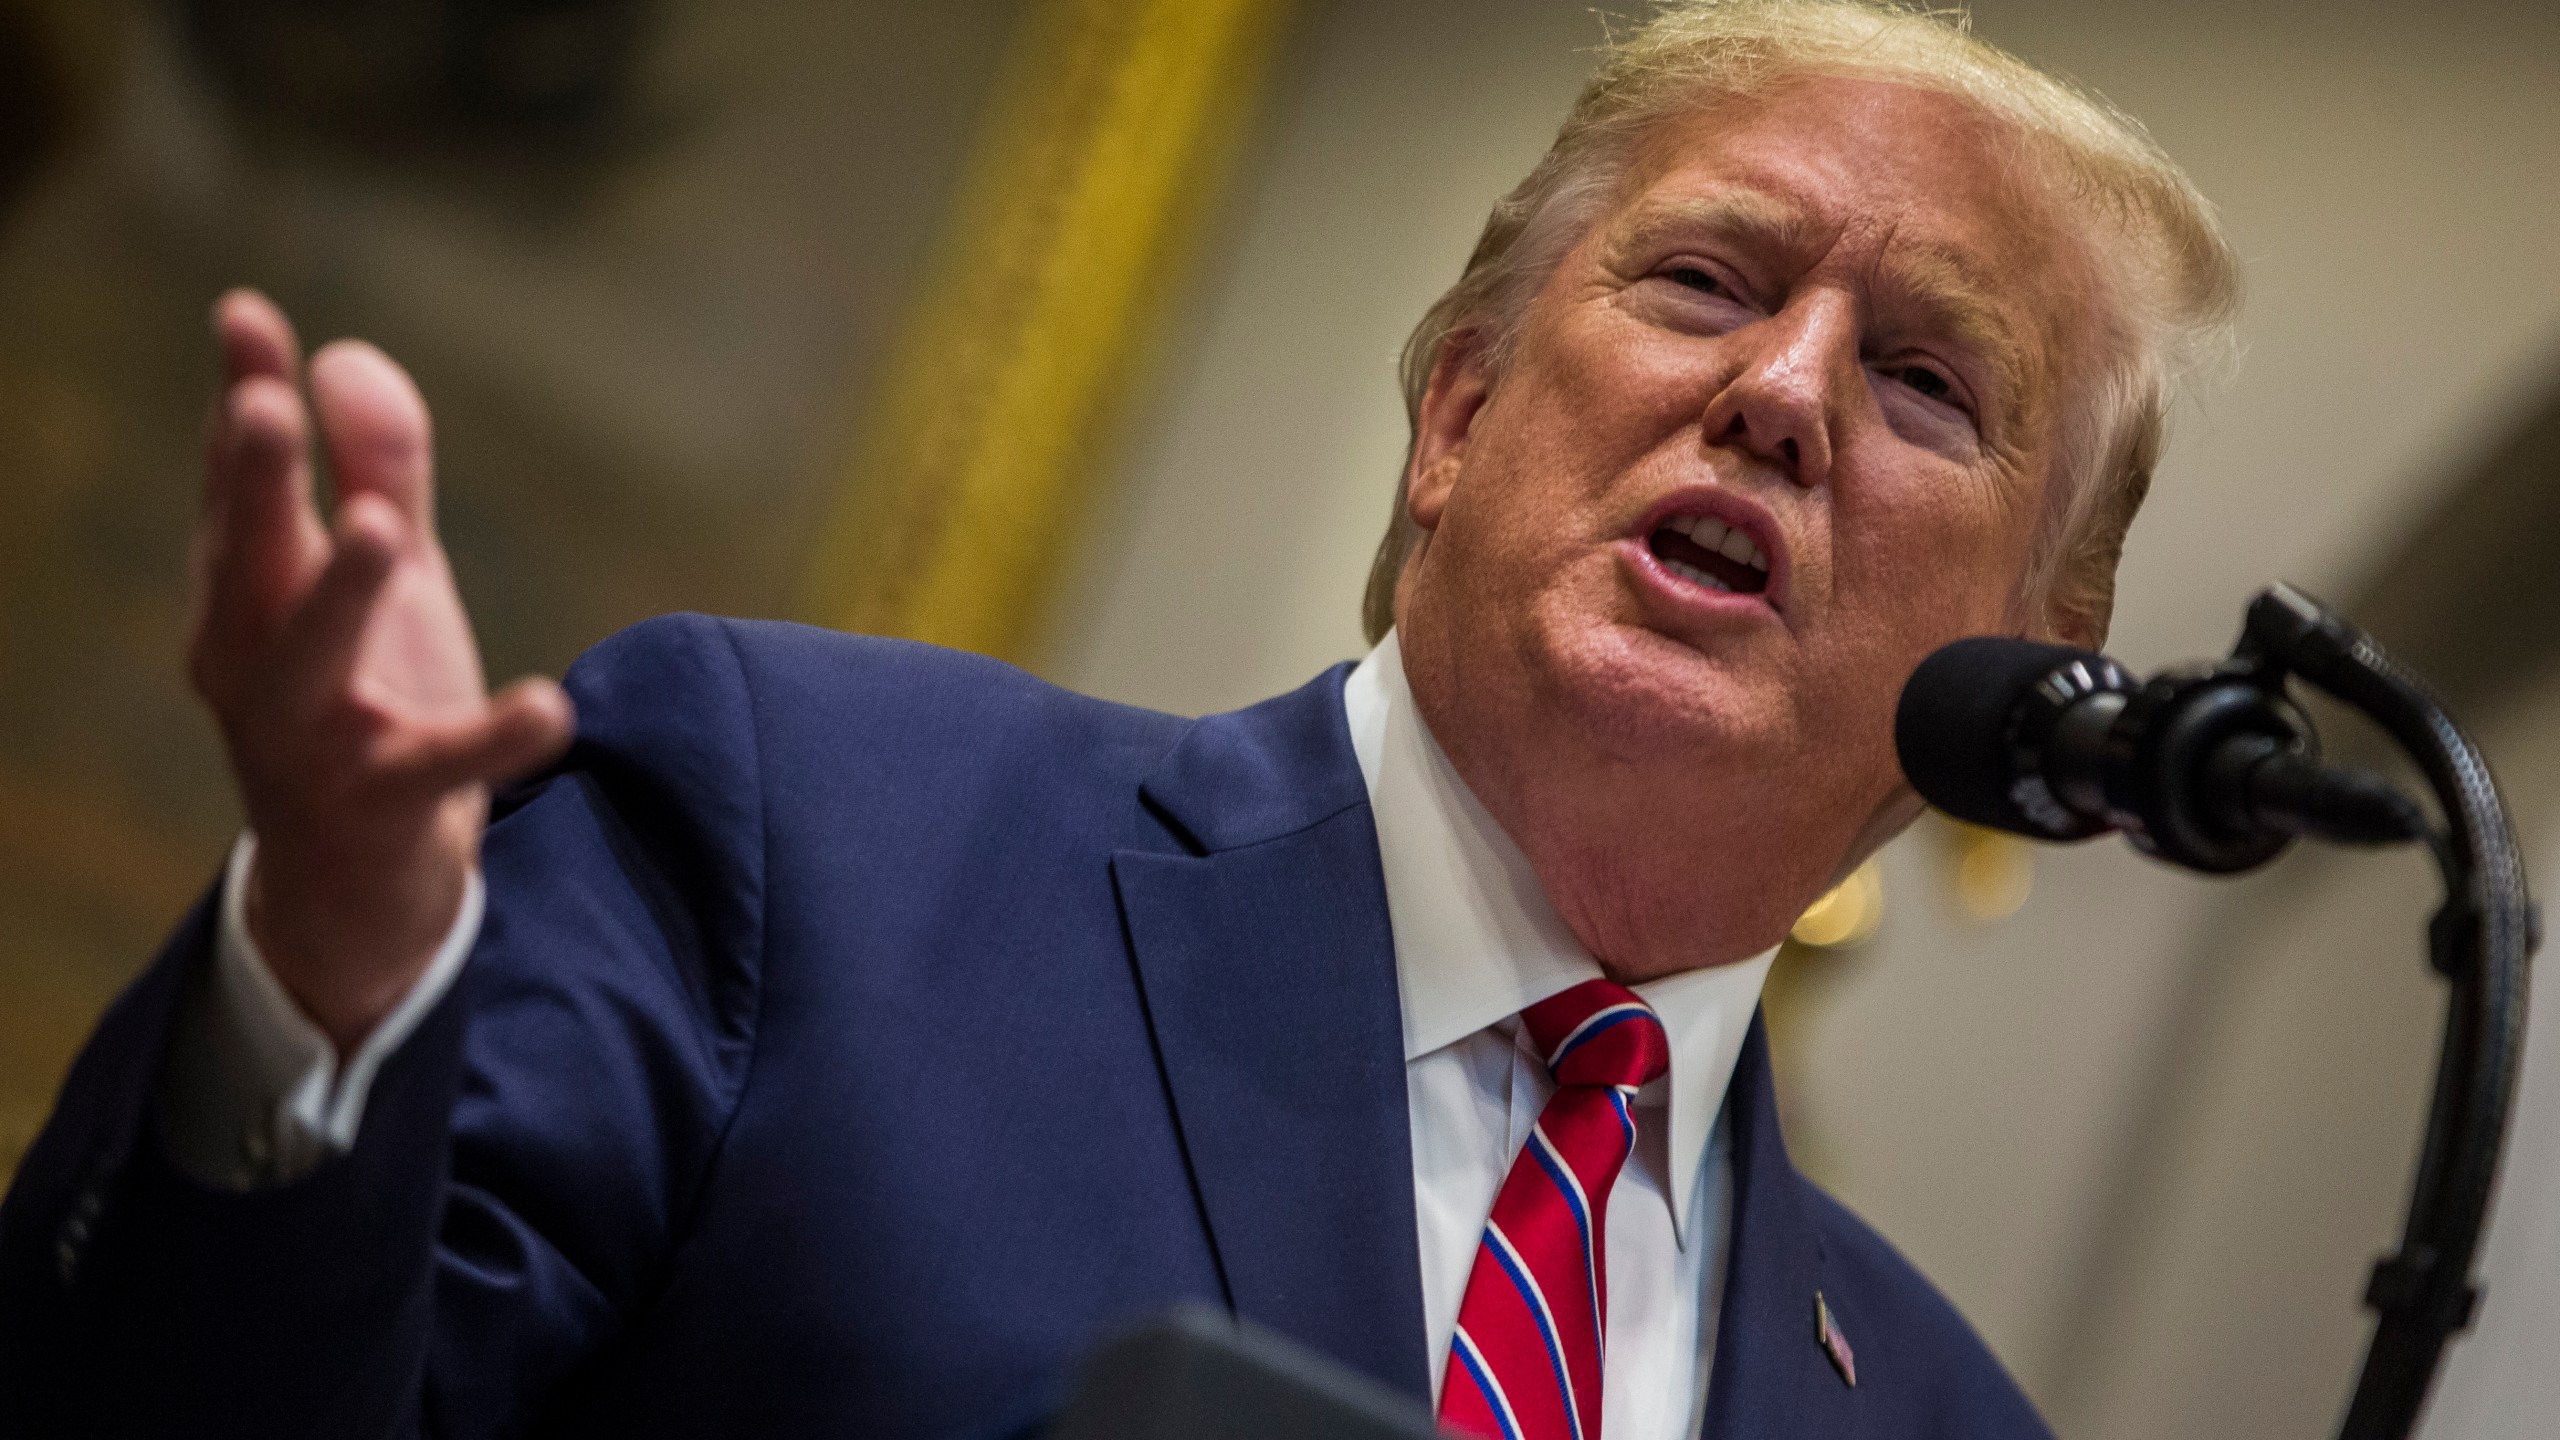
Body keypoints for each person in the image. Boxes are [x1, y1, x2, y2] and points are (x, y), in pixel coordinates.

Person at [0, 2, 2237, 1437]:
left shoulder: (1936, 1420)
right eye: (1703, 282)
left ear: (2035, 656)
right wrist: (322, 1002)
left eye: (1922, 381)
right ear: (1455, 411)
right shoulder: (800, 832)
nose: (1774, 395)